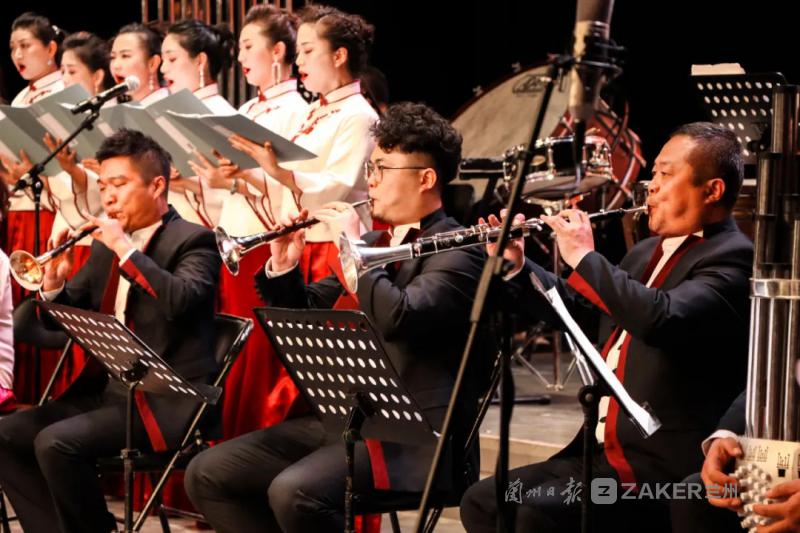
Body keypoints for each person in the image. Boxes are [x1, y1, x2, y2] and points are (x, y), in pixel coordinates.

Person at [184, 102, 495, 532]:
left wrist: (353, 251)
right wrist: (284, 267)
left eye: (383, 169)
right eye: (371, 167)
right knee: (209, 473)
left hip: (417, 438)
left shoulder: (458, 249)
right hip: (349, 419)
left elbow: (399, 318)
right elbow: (306, 317)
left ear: (426, 179)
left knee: (295, 492)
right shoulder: (376, 240)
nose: (371, 180)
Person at [459, 122, 753, 532]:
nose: (651, 185)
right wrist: (518, 267)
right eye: (653, 172)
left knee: (538, 512)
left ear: (712, 190)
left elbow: (661, 317)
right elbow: (584, 313)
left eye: (666, 174)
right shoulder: (646, 252)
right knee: (484, 502)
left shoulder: (733, 257)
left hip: (657, 474)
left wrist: (584, 257)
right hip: (600, 454)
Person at [0, 129, 221, 533]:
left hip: (164, 403)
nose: (108, 198)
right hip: (109, 392)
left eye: (119, 185)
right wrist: (54, 286)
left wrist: (126, 250)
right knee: (7, 434)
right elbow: (57, 321)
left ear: (157, 185)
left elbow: (181, 300)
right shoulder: (106, 245)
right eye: (103, 186)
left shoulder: (194, 240)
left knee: (56, 443)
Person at [188, 4, 311, 437]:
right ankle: (230, 438)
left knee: (259, 347)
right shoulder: (249, 109)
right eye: (238, 47)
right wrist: (225, 178)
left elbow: (295, 189)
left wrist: (241, 179)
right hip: (237, 234)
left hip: (266, 242)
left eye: (248, 46)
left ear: (278, 51)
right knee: (236, 344)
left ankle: (254, 436)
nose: (239, 56)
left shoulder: (297, 110)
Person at [228, 4, 378, 282]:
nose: (299, 61)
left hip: (334, 245)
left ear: (339, 55)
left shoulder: (359, 114)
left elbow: (336, 187)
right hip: (302, 241)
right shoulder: (314, 110)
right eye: (298, 52)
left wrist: (278, 170)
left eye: (308, 51)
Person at [1, 12, 64, 295]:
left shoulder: (63, 92)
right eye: (13, 47)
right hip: (18, 210)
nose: (18, 54)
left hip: (47, 211)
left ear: (51, 48)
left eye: (26, 45)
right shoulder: (21, 97)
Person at [160, 18, 237, 227]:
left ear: (200, 61)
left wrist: (186, 182)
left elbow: (234, 191)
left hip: (211, 232)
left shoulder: (221, 114)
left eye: (172, 59)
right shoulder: (170, 113)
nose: (163, 68)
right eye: (163, 60)